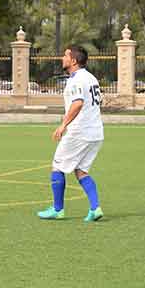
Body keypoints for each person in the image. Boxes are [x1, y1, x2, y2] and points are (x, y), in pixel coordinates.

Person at [37, 46, 104, 222]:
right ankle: (95, 208)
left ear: (73, 61)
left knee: (57, 166)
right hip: (96, 132)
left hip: (79, 132)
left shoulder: (76, 80)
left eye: (66, 55)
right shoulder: (91, 78)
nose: (62, 58)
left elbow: (78, 103)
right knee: (81, 171)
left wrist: (63, 125)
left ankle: (57, 210)